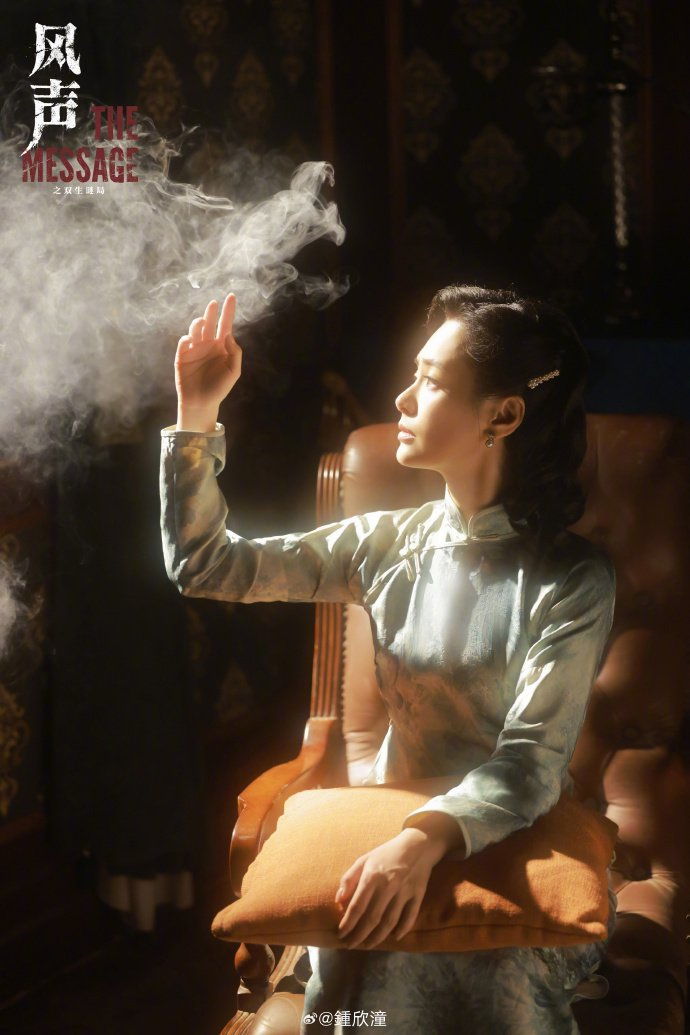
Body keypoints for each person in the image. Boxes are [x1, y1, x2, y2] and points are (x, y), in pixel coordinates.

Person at [160, 285, 618, 1034]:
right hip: (387, 824)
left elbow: (531, 762)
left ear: (503, 416)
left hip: (511, 834)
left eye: (430, 381)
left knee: (489, 976)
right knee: (369, 978)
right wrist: (196, 412)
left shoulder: (572, 579)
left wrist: (419, 843)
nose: (402, 398)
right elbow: (206, 564)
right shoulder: (386, 545)